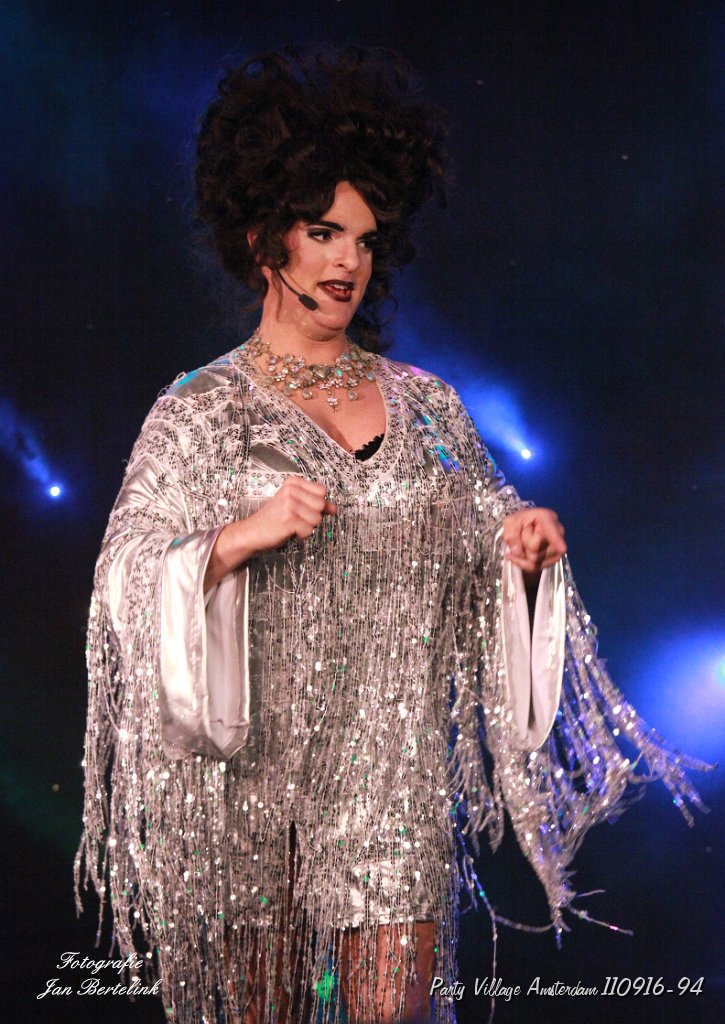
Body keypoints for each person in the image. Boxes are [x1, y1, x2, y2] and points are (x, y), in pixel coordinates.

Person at [76, 48, 709, 1024]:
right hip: (246, 792)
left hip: (391, 784)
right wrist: (236, 538)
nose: (346, 263)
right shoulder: (199, 411)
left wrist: (521, 552)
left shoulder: (427, 408)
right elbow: (122, 577)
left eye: (365, 240)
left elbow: (485, 536)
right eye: (322, 233)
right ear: (262, 238)